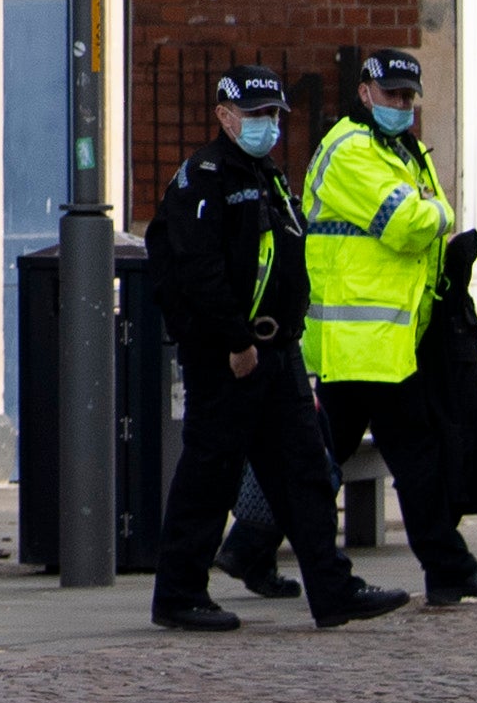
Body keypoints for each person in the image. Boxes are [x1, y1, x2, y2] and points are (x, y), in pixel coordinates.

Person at [254, 50, 477, 609]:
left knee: (327, 454)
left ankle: (251, 545)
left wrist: (430, 210)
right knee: (407, 455)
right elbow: (410, 223)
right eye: (393, 95)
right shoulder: (352, 150)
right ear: (366, 93)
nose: (402, 106)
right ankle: (448, 568)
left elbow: (428, 208)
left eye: (408, 98)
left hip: (385, 338)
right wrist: (437, 214)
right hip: (360, 338)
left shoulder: (398, 150)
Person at [143, 66, 408, 633]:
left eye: (274, 115)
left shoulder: (268, 176)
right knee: (210, 473)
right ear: (224, 115)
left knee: (306, 474)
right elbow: (200, 271)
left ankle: (333, 591)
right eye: (257, 114)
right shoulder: (205, 177)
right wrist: (235, 341)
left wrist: (288, 345)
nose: (268, 125)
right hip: (230, 356)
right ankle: (179, 594)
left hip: (279, 353)